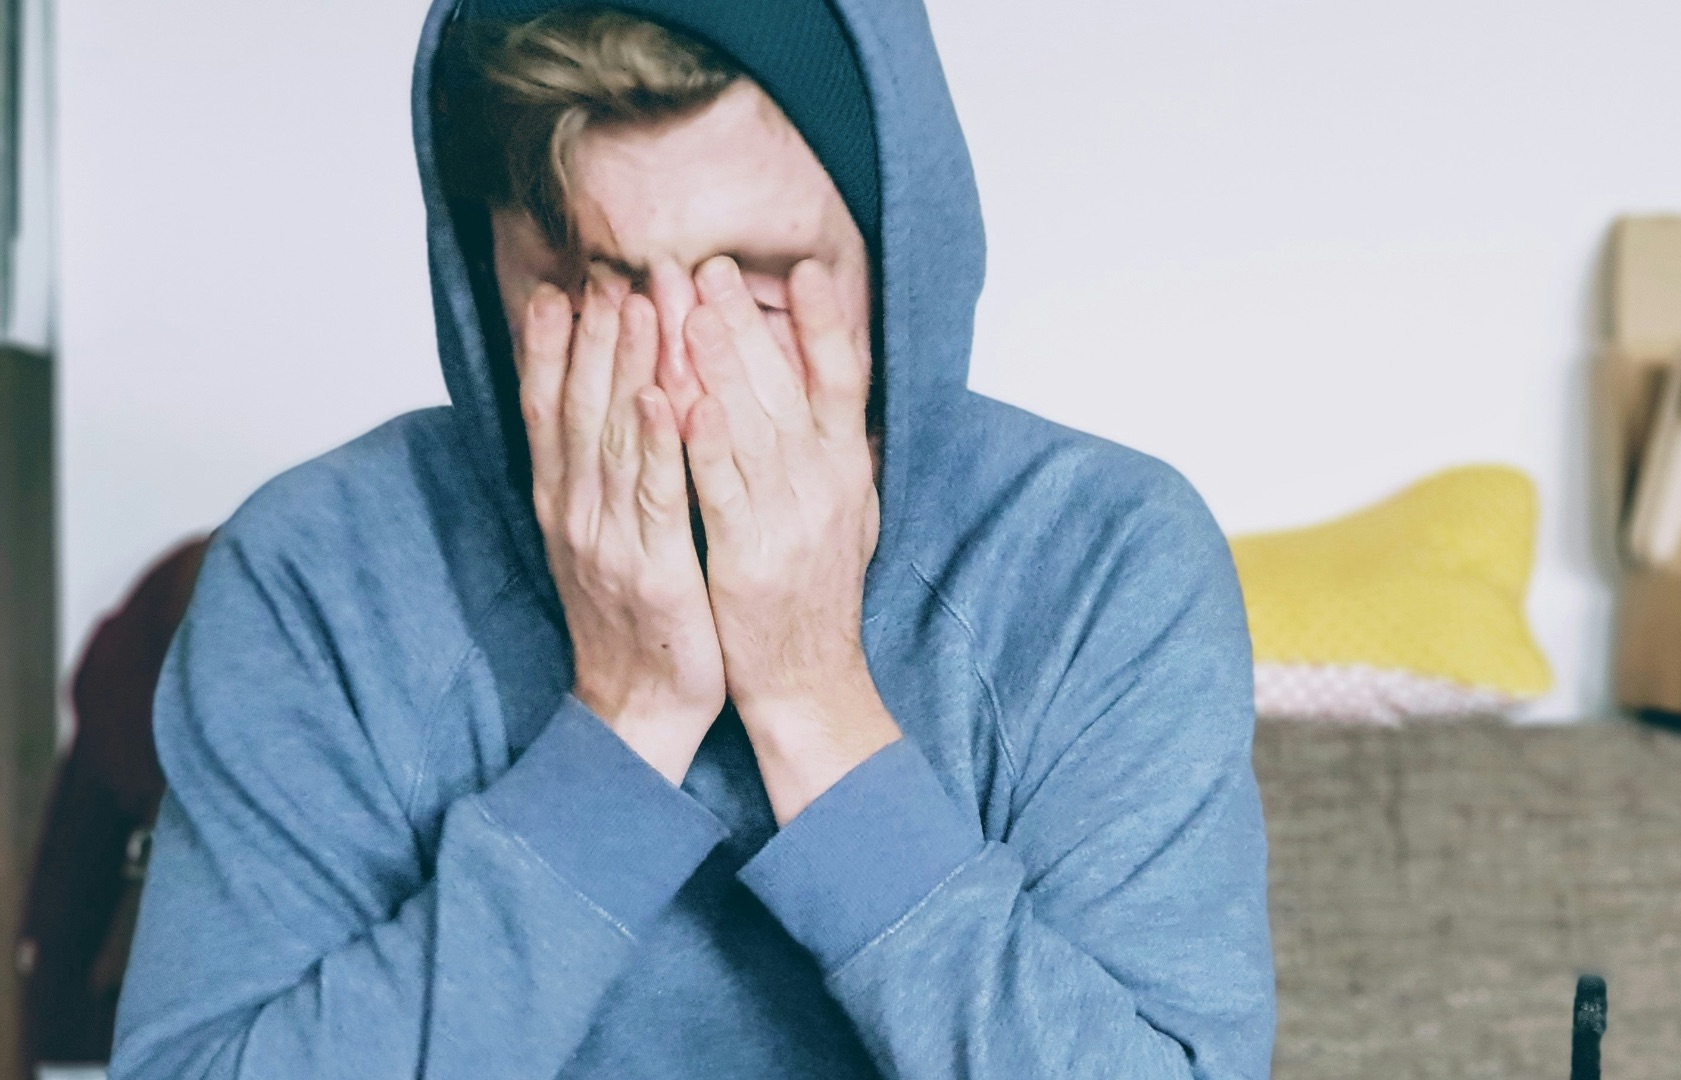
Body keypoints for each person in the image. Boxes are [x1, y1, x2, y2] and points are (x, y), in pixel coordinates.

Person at [109, 2, 1276, 1077]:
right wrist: (625, 724)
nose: (677, 381)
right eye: (595, 291)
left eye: (759, 294)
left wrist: (814, 703)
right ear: (486, 278)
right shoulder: (318, 571)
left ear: (893, 257)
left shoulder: (1105, 560)